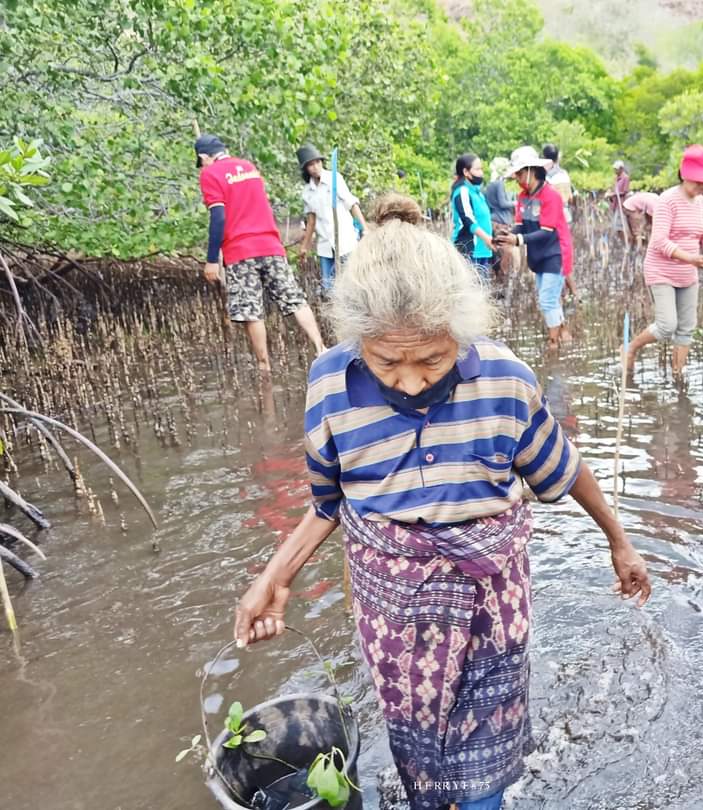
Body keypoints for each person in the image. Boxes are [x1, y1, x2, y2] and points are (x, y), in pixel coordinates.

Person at [233, 193, 652, 810]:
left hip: (491, 600)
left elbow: (564, 468)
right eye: (386, 362)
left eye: (431, 359)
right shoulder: (330, 383)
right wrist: (274, 579)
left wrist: (620, 542)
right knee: (417, 743)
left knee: (484, 756)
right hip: (393, 610)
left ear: (461, 332)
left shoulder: (504, 379)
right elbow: (327, 503)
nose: (410, 380)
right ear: (358, 342)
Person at [195, 133, 325, 372]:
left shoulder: (209, 174)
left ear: (204, 157)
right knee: (295, 298)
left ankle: (264, 366)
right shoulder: (248, 167)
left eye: (201, 162)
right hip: (271, 246)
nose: (201, 167)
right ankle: (321, 348)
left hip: (240, 251)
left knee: (251, 311)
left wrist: (212, 259)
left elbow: (218, 217)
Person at [624, 145, 703, 378]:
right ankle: (630, 348)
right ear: (684, 174)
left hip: (688, 274)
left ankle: (677, 376)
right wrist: (691, 259)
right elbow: (659, 241)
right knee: (666, 326)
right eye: (698, 180)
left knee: (686, 328)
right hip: (661, 270)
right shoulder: (667, 201)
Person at [495, 146, 575, 349]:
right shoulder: (523, 197)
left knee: (547, 300)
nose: (517, 178)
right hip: (538, 255)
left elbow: (547, 231)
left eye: (520, 173)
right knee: (550, 298)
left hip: (554, 253)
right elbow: (520, 225)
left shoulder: (551, 196)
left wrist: (517, 240)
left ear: (531, 171)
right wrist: (507, 235)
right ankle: (563, 333)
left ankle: (553, 344)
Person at [296, 144, 367, 293]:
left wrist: (365, 229)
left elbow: (352, 204)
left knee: (350, 283)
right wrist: (305, 246)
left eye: (317, 162)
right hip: (325, 244)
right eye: (311, 165)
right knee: (328, 288)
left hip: (344, 240)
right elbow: (311, 221)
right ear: (306, 169)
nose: (315, 167)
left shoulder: (334, 179)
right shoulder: (307, 192)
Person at [450, 154, 496, 283]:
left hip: (483, 249)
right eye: (477, 169)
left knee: (483, 288)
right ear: (466, 172)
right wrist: (486, 238)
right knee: (471, 288)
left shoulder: (478, 193)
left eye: (481, 169)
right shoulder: (462, 191)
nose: (481, 173)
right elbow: (468, 220)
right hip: (469, 249)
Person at [542, 144, 578, 300]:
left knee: (555, 255)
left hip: (551, 218)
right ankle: (571, 293)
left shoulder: (544, 175)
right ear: (558, 156)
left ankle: (568, 292)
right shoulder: (564, 174)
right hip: (565, 216)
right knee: (563, 255)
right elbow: (570, 197)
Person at [484, 156, 519, 282]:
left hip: (494, 221)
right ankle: (503, 280)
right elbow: (503, 203)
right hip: (501, 222)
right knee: (506, 253)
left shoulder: (490, 184)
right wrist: (517, 203)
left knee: (498, 253)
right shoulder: (499, 183)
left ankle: (499, 279)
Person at [607, 159, 631, 239]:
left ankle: (624, 240)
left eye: (616, 169)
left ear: (621, 169)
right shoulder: (616, 178)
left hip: (621, 204)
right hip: (615, 204)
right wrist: (610, 193)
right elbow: (615, 190)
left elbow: (625, 191)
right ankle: (619, 240)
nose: (615, 171)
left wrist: (613, 194)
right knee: (616, 225)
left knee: (621, 225)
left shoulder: (625, 178)